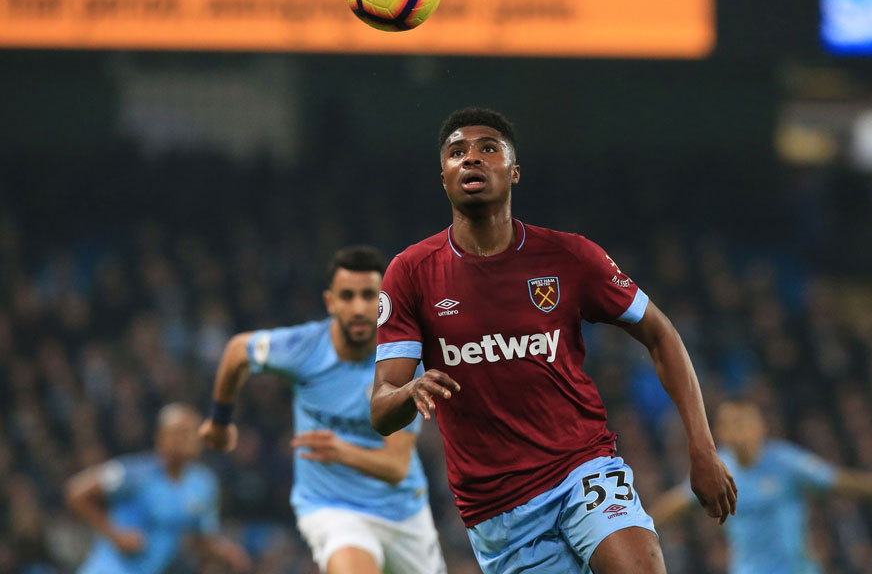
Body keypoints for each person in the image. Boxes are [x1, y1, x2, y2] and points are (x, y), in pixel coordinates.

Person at [371, 107, 738, 574]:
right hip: (498, 509)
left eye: (489, 149)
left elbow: (660, 333)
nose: (472, 160)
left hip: (582, 468)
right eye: (457, 152)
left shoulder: (568, 256)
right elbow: (381, 409)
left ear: (514, 172)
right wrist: (409, 392)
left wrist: (702, 447)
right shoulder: (411, 273)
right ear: (443, 177)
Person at [198, 246, 446, 574]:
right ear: (331, 302)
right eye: (347, 296)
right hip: (332, 509)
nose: (358, 308)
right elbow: (236, 352)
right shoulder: (304, 348)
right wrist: (219, 423)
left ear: (384, 302)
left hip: (403, 513)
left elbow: (396, 466)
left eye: (369, 296)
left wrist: (341, 451)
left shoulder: (401, 364)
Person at [650, 400, 872, 574]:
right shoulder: (716, 472)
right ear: (722, 433)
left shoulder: (786, 462)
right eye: (733, 424)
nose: (741, 432)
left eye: (746, 423)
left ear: (761, 428)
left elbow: (849, 483)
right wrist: (631, 533)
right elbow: (674, 505)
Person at [66, 403, 250, 574]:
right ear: (161, 438)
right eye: (180, 432)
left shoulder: (203, 484)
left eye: (194, 432)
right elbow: (77, 491)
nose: (188, 439)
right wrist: (115, 535)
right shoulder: (135, 473)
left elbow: (201, 538)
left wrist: (227, 552)